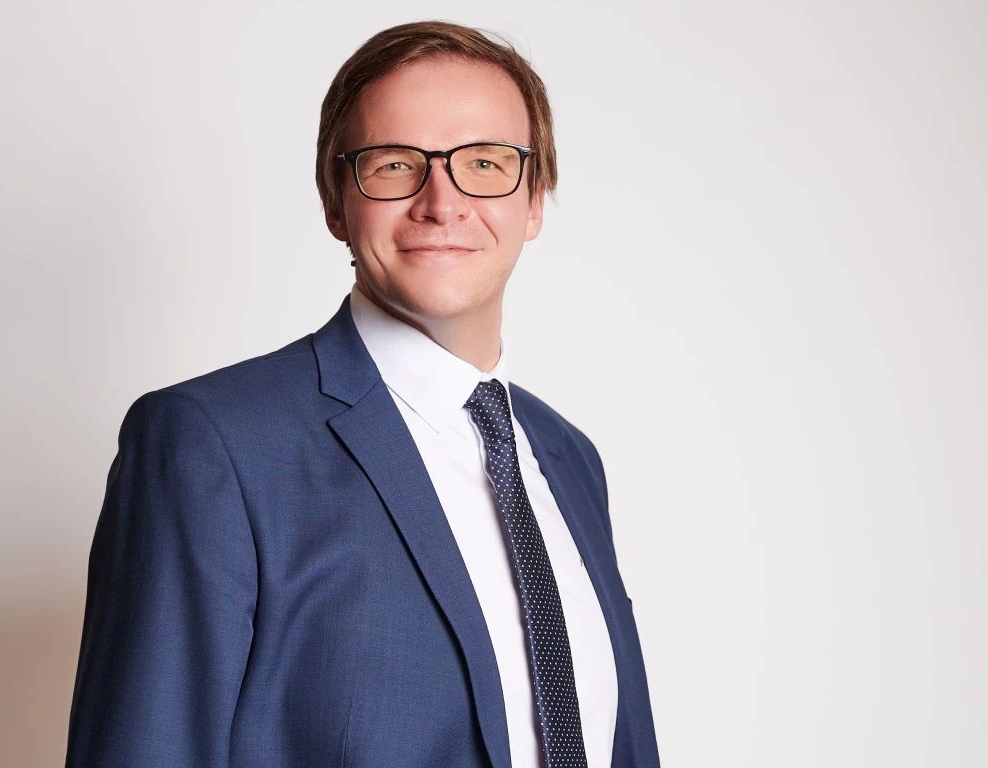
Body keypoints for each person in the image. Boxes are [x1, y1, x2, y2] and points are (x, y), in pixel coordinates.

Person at [65, 20, 659, 768]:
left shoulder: (569, 459)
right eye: (395, 164)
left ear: (535, 200)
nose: (442, 202)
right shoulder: (212, 445)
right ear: (336, 202)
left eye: (485, 162)